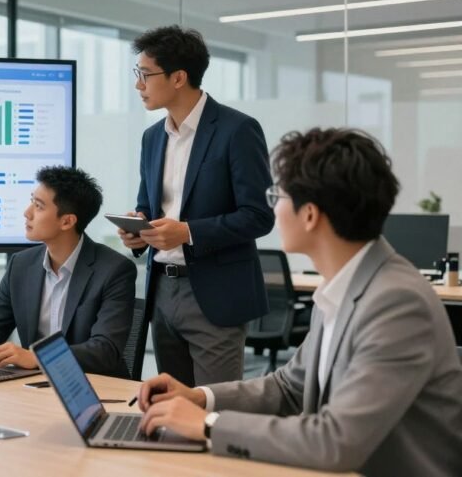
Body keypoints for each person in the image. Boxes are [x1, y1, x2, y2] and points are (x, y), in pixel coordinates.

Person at [137, 128, 462, 477]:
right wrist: (200, 398)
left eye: (278, 195)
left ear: (309, 215)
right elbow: (289, 387)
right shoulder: (342, 285)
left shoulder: (396, 303)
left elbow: (336, 441)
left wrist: (208, 425)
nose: (273, 208)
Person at [118, 26, 273, 386]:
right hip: (162, 289)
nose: (138, 84)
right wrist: (138, 230)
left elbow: (259, 216)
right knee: (171, 405)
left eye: (145, 74)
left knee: (212, 407)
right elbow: (148, 207)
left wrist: (187, 232)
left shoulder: (237, 130)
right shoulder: (152, 137)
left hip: (214, 295)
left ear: (178, 78)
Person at [0, 166, 137, 377]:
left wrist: (37, 357)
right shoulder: (21, 264)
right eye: (32, 201)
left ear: (67, 221)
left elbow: (105, 350)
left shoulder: (114, 270)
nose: (27, 212)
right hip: (34, 384)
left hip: (94, 385)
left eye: (38, 206)